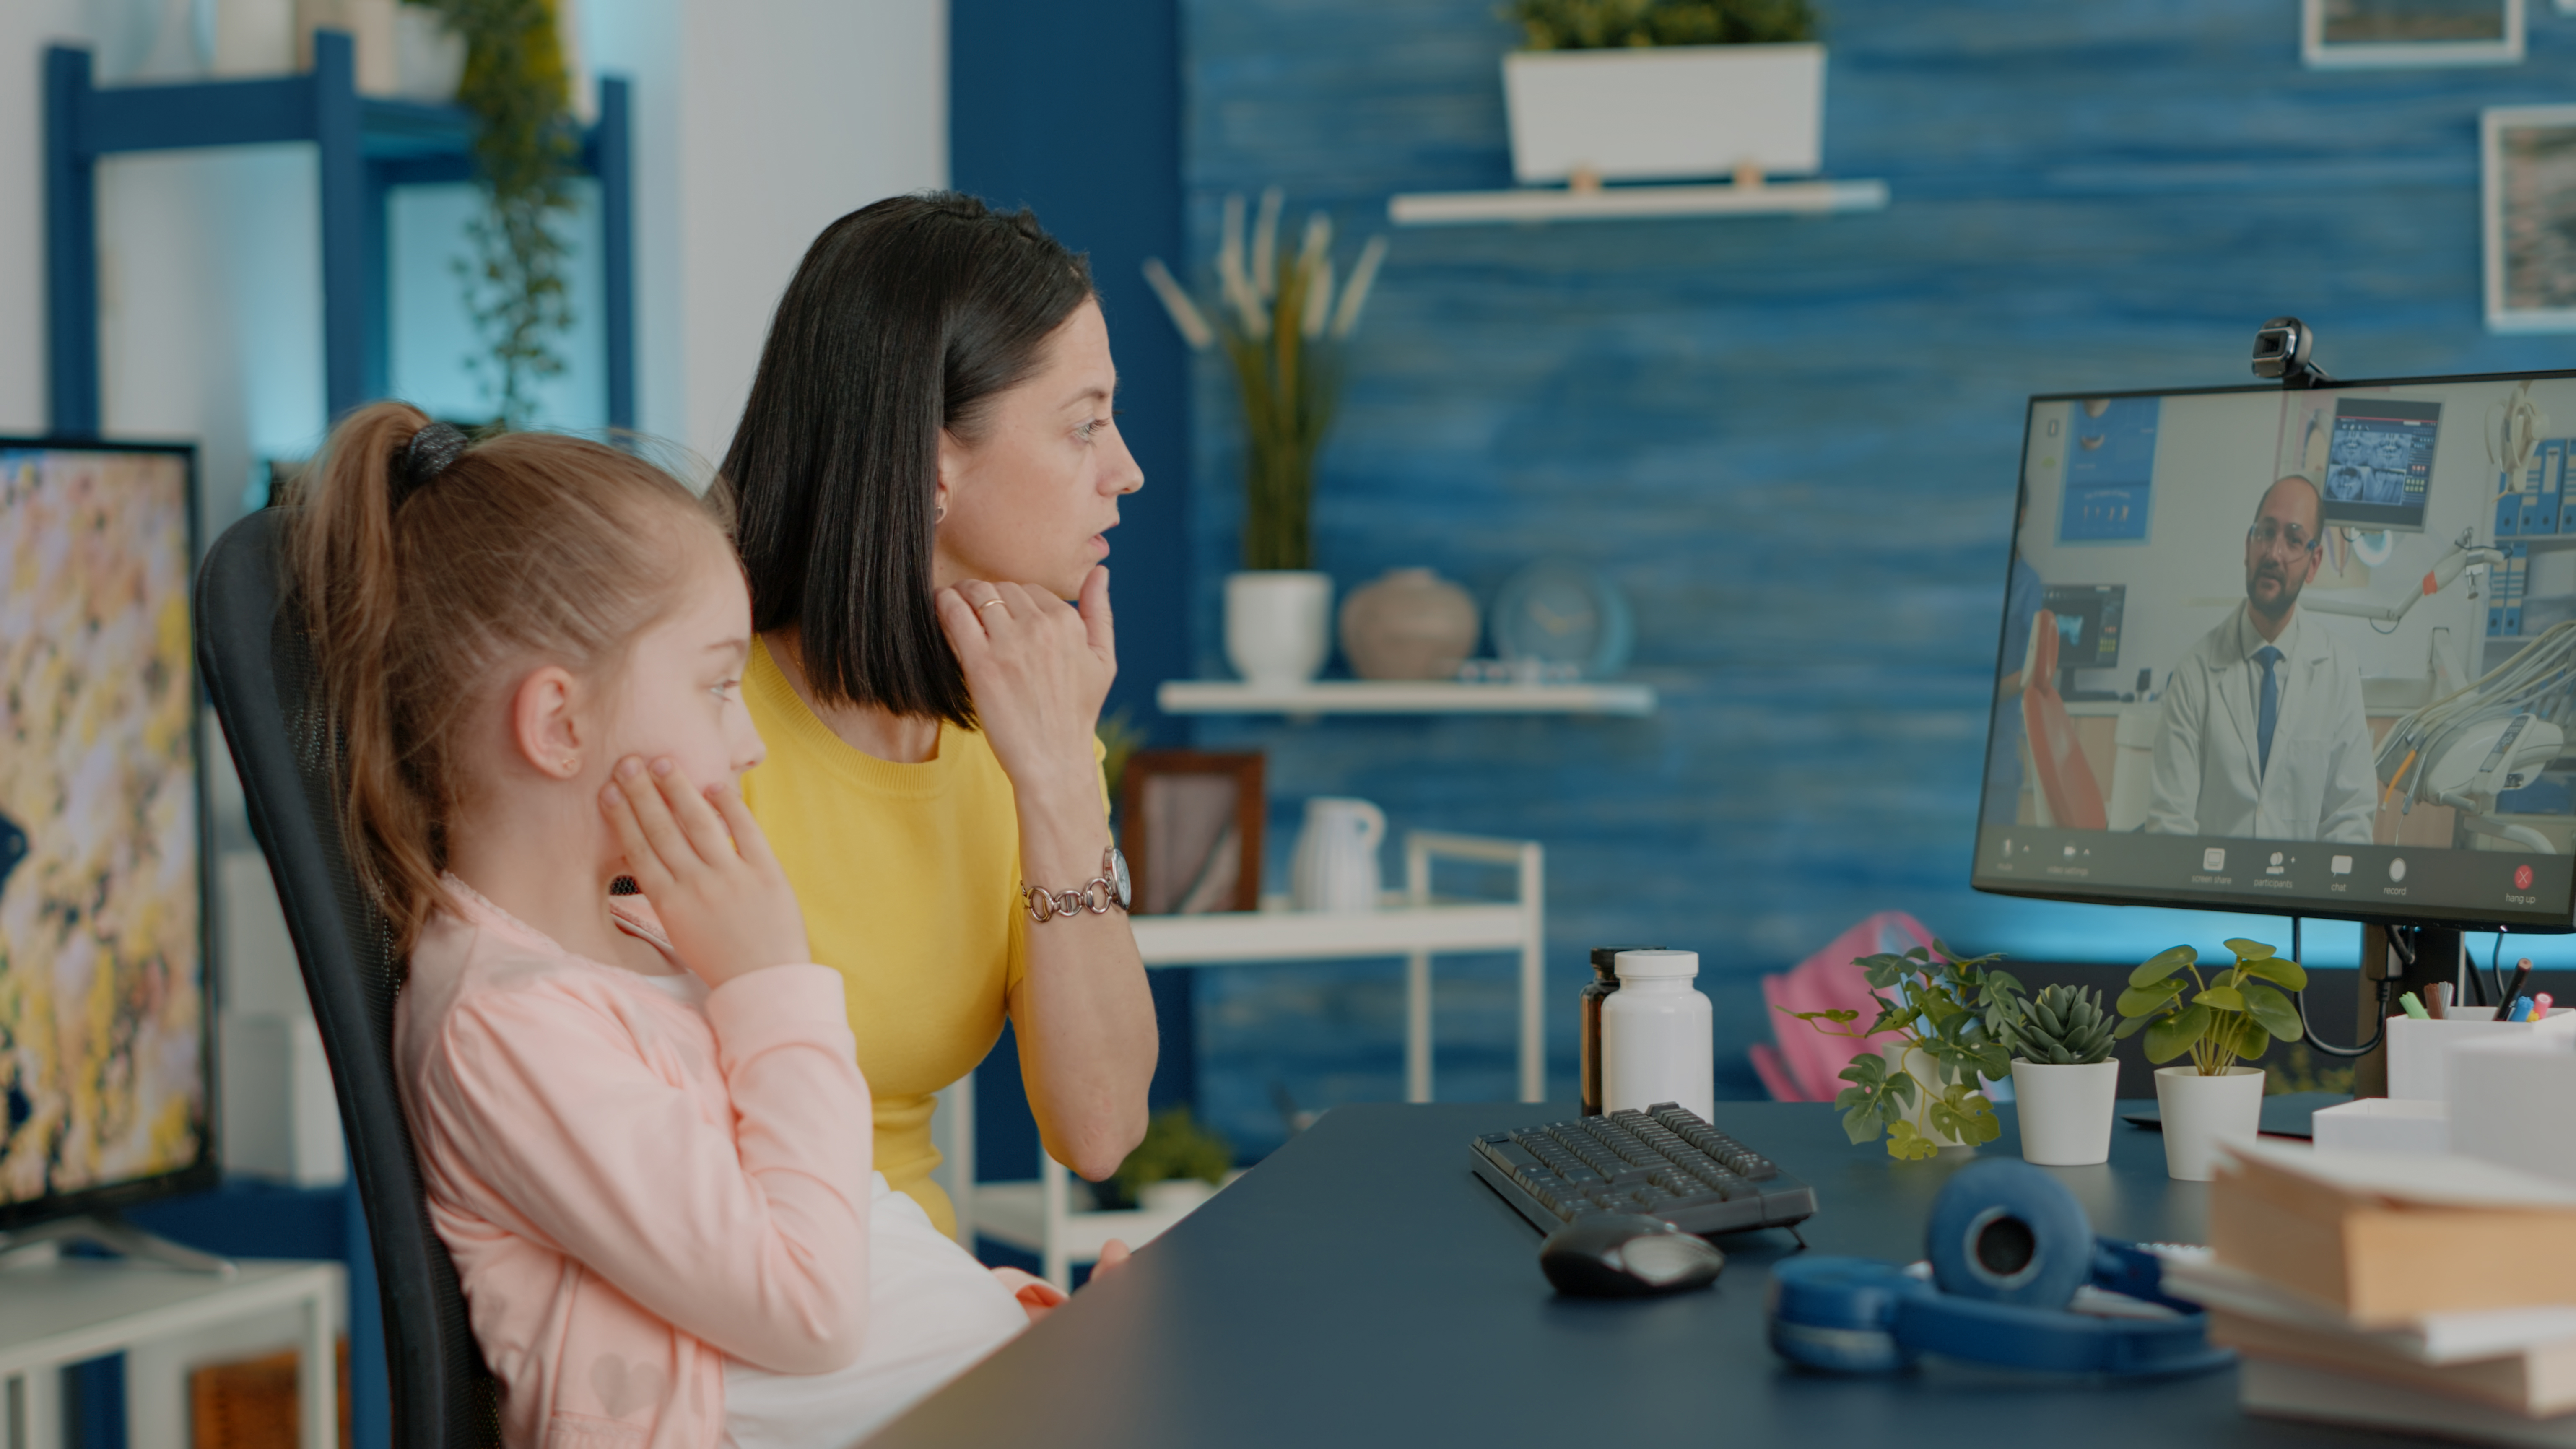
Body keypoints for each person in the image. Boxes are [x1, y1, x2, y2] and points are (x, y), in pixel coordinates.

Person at [289, 402, 1114, 1448]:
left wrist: (1033, 1336)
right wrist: (772, 977)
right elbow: (808, 1308)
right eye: (718, 683)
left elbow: (849, 1218)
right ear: (559, 723)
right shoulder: (503, 1030)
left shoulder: (646, 941)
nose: (747, 740)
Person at [719, 194, 1156, 1238]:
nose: (1124, 469)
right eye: (1084, 424)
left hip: (922, 1302)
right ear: (931, 460)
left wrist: (1058, 778)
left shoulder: (1014, 727)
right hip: (762, 1315)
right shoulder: (700, 717)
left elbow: (1099, 1128)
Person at [2144, 473, 2376, 844]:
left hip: (2301, 896)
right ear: (2248, 546)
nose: (2274, 553)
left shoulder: (2338, 669)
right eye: (2266, 533)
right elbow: (2171, 825)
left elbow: (2349, 818)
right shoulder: (2194, 673)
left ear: (2314, 562)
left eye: (2294, 539)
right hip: (2211, 892)